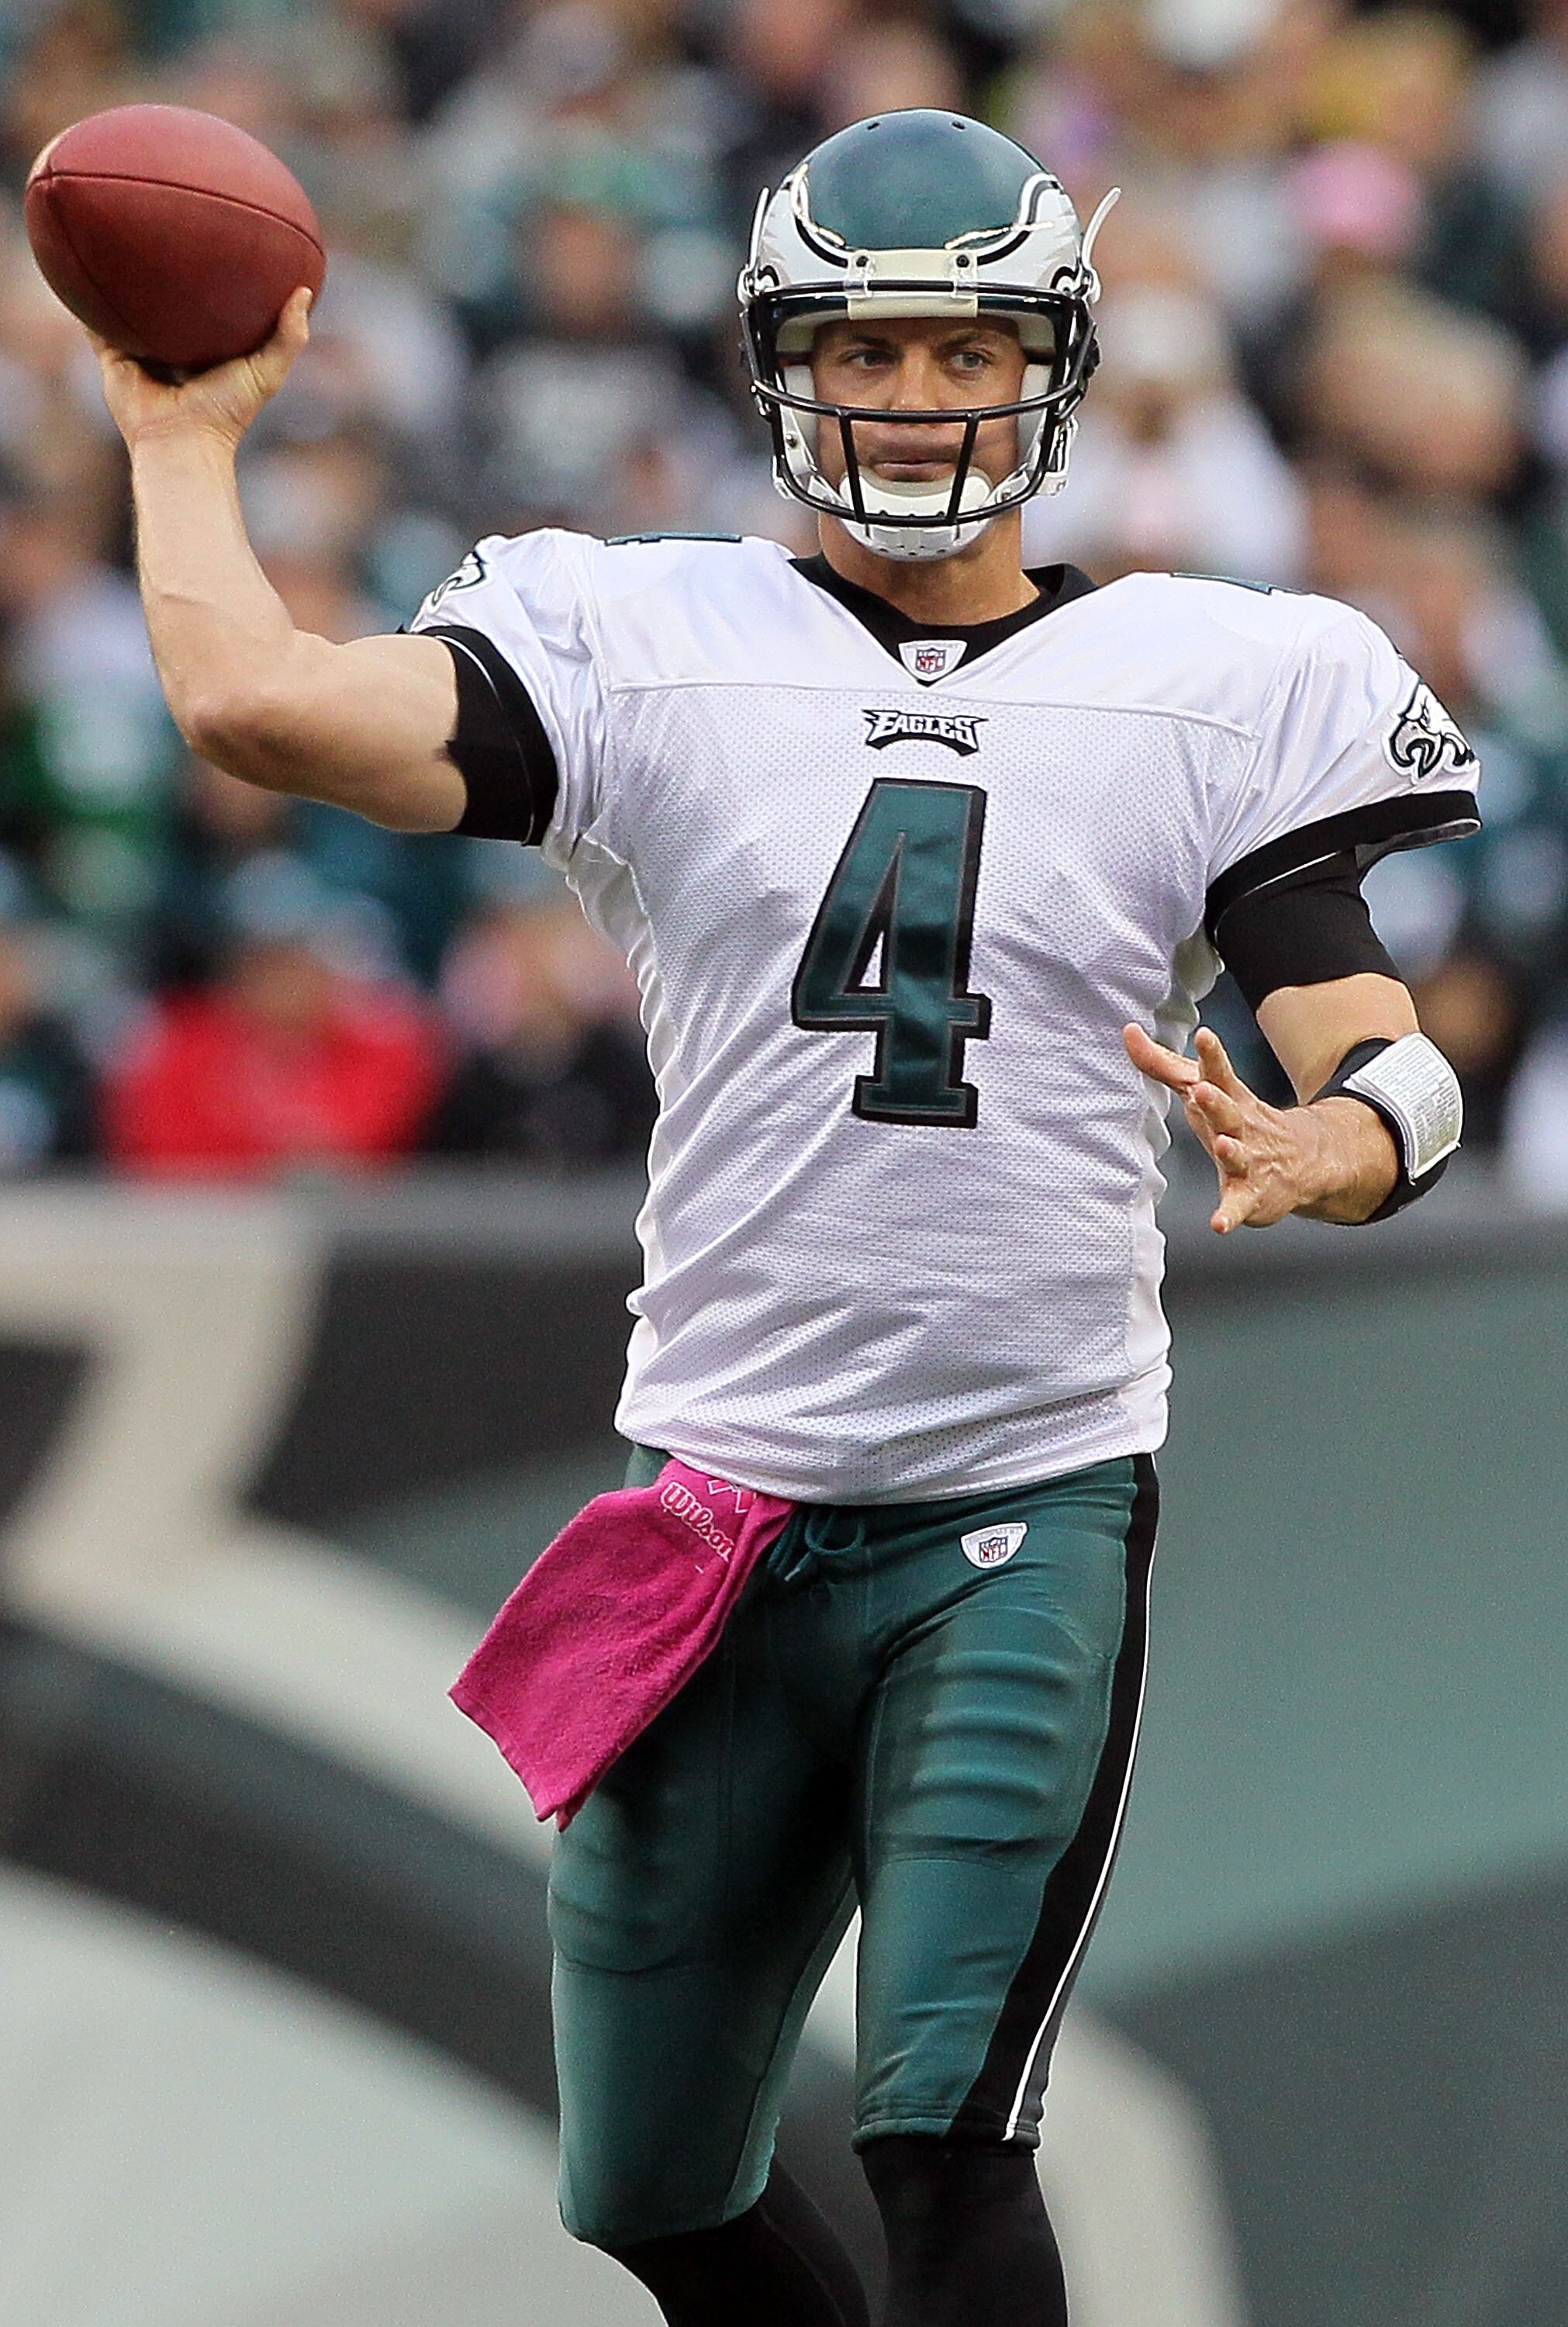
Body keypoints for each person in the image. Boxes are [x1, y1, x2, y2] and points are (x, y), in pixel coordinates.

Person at [92, 109, 1479, 2327]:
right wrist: (179, 437)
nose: (914, 399)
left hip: (1019, 1501)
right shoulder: (641, 637)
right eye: (865, 351)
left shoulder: (1215, 680)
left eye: (963, 350)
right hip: (723, 1508)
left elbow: (1387, 1047)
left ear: (1050, 364)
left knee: (944, 2132)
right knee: (650, 2188)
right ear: (779, 366)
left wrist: (1353, 1143)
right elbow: (259, 705)